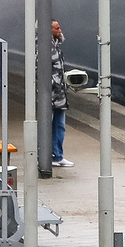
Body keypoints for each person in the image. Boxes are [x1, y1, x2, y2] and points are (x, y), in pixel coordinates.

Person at [49, 19, 72, 168]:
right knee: (49, 125)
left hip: (59, 95)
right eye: (57, 28)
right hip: (50, 95)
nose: (60, 30)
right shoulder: (44, 48)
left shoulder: (56, 47)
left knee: (59, 125)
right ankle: (49, 155)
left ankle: (58, 155)